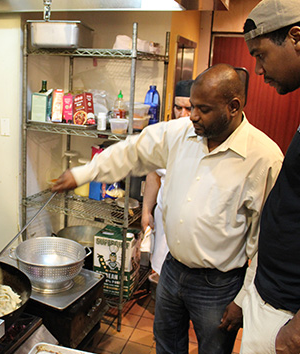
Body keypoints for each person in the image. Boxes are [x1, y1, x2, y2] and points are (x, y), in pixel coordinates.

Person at [52, 63, 283, 354]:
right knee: (167, 346)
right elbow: (132, 150)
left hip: (218, 285)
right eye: (191, 106)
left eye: (204, 109)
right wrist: (83, 173)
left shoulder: (264, 158)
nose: (193, 116)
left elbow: (265, 241)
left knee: (213, 351)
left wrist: (243, 299)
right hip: (173, 270)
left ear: (233, 107)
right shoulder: (180, 133)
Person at [239, 1, 300, 353]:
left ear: (296, 37)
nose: (258, 70)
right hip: (272, 298)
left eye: (261, 55)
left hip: (289, 316)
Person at [141, 79, 194, 276]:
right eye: (178, 108)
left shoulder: (206, 139)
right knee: (162, 272)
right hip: (164, 222)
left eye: (189, 108)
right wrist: (146, 211)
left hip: (191, 230)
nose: (183, 114)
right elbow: (154, 174)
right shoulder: (165, 135)